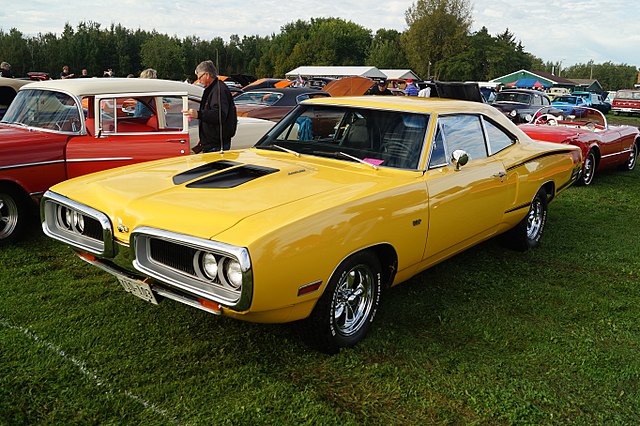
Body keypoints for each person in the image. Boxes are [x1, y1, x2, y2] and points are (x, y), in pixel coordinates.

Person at [183, 60, 237, 152]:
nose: (199, 81)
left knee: (215, 166)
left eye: (200, 77)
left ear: (207, 75)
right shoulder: (212, 89)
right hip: (211, 142)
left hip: (217, 145)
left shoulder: (219, 90)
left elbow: (219, 115)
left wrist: (198, 114)